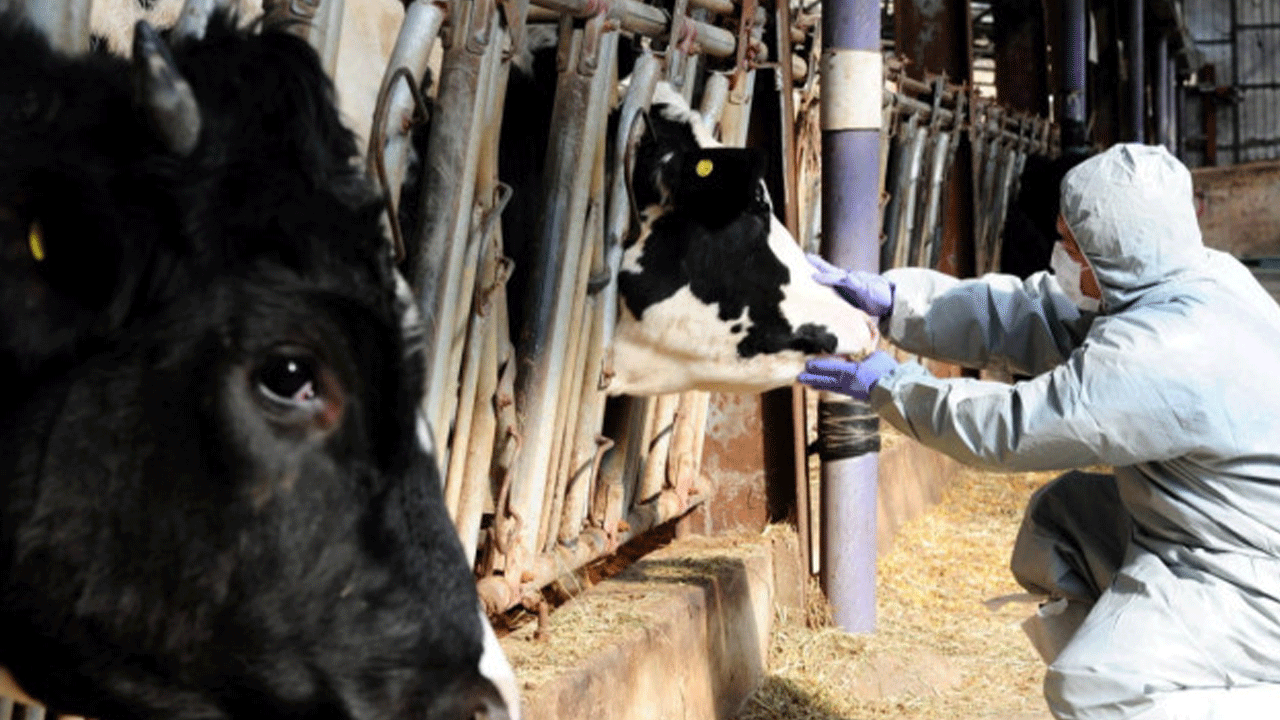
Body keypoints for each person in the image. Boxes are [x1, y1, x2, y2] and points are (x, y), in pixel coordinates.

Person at [797, 143, 1280, 719]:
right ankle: (1143, 651)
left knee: (1093, 686)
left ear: (1118, 252)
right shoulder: (1190, 279)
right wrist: (899, 304)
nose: (1062, 259)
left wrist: (892, 387)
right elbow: (1035, 313)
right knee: (1061, 522)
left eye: (1074, 248)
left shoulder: (1167, 351)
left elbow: (1013, 428)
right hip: (1200, 526)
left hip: (1248, 576)